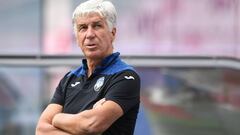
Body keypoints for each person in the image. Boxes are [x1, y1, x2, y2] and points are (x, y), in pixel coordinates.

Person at [35, 0, 141, 135]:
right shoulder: (69, 79)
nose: (89, 34)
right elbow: (42, 130)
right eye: (83, 28)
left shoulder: (126, 77)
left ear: (112, 33)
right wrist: (80, 124)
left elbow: (91, 124)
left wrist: (57, 118)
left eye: (97, 26)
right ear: (77, 37)